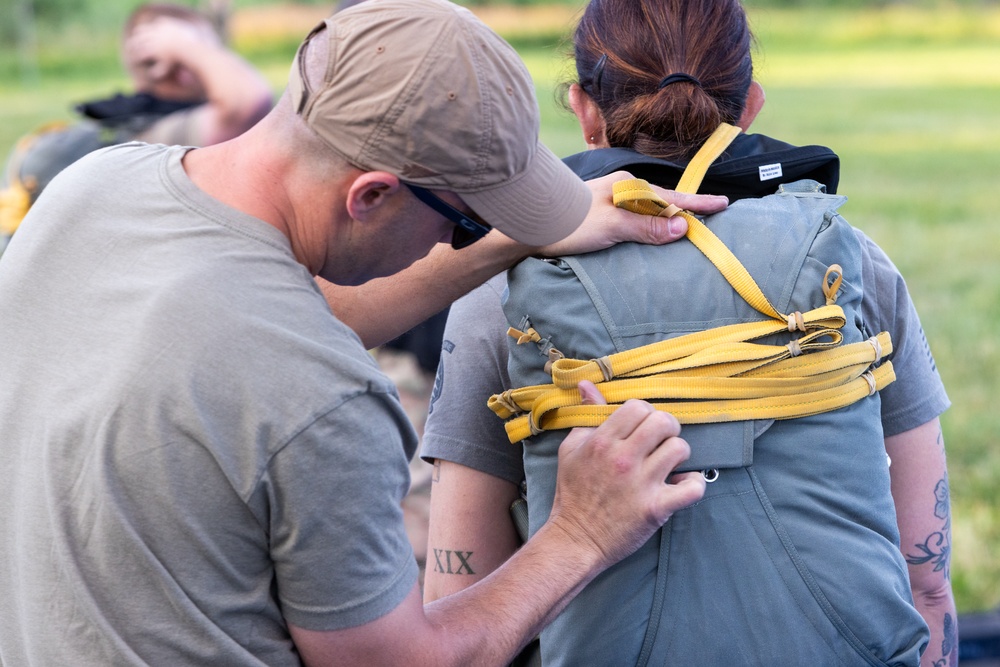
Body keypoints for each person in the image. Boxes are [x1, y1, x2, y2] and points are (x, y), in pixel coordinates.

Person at [0, 0, 732, 663]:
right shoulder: (323, 401)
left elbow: (269, 314)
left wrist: (511, 236)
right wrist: (583, 532)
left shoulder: (91, 189)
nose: (458, 240)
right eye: (464, 220)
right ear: (372, 194)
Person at [421, 0, 957, 665]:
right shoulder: (853, 265)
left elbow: (459, 599)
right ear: (750, 104)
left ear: (584, 110)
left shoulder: (502, 293)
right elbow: (927, 584)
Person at [0, 2, 272, 251]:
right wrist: (187, 46)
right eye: (207, 49)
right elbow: (248, 102)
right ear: (180, 66)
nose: (217, 58)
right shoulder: (155, 134)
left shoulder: (123, 124)